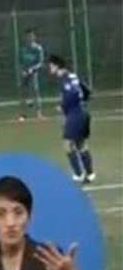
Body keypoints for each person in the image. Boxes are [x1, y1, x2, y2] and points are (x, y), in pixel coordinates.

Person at [47, 54, 95, 184]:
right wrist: (83, 101)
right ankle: (90, 174)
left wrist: (63, 106)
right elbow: (86, 91)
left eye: (51, 66)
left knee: (68, 144)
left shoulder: (64, 79)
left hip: (75, 114)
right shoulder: (73, 76)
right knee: (81, 144)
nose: (50, 69)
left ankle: (78, 174)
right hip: (82, 112)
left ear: (56, 66)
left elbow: (72, 93)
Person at [17, 29, 45, 121]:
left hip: (33, 73)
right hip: (24, 73)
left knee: (35, 91)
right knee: (23, 93)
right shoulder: (23, 49)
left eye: (31, 36)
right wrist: (22, 71)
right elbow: (20, 62)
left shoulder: (38, 48)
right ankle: (22, 114)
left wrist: (32, 69)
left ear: (34, 37)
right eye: (28, 36)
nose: (30, 38)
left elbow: (40, 63)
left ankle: (39, 113)